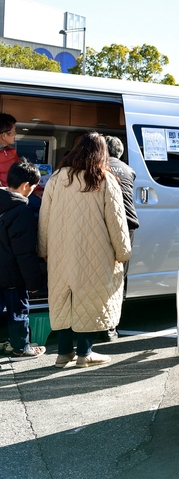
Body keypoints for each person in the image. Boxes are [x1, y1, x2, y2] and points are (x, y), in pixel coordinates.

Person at [38, 132, 131, 368]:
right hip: (96, 252)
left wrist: (44, 249)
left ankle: (63, 353)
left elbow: (44, 219)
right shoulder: (104, 179)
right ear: (102, 152)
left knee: (64, 299)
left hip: (60, 252)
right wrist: (123, 253)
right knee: (89, 299)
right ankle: (85, 353)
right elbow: (117, 222)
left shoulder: (57, 178)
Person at [0, 162, 47, 360]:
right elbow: (24, 252)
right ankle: (21, 348)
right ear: (26, 185)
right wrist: (33, 281)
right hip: (12, 274)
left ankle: (7, 342)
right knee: (18, 311)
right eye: (35, 186)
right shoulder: (22, 211)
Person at [102, 136, 139, 342]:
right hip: (128, 226)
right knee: (119, 276)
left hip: (107, 225)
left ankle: (103, 326)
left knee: (101, 275)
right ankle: (113, 325)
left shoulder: (97, 169)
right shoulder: (128, 170)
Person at [0, 113, 21, 188]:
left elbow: (24, 175)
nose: (16, 134)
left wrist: (36, 190)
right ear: (4, 136)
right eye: (14, 131)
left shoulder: (12, 153)